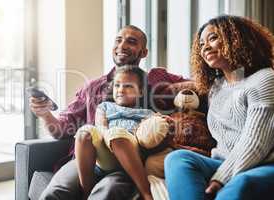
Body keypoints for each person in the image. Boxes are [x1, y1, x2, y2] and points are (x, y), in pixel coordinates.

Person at [30, 25, 188, 200]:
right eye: (118, 40)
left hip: (127, 162)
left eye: (131, 41)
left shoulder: (157, 79)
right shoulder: (92, 87)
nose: (122, 46)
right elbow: (61, 130)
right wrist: (45, 114)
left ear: (144, 52)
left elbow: (197, 85)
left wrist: (173, 91)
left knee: (106, 193)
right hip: (87, 160)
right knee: (55, 193)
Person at [164, 15, 274, 200]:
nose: (205, 47)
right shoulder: (216, 88)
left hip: (262, 164)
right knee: (177, 159)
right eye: (201, 44)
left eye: (213, 38)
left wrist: (221, 178)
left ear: (236, 39)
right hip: (220, 162)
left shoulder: (265, 78)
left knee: (240, 183)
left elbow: (256, 143)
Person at [75, 65, 156, 200]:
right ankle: (87, 192)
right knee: (84, 133)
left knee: (118, 135)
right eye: (117, 85)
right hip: (106, 153)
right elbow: (101, 127)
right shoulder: (105, 106)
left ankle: (146, 192)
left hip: (131, 152)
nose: (121, 90)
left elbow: (150, 135)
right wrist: (108, 136)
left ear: (141, 92)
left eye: (128, 86)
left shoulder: (147, 114)